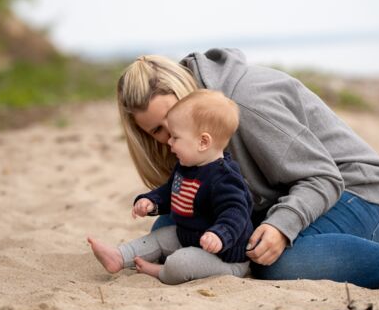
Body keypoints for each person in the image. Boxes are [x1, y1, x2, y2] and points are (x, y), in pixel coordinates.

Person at [106, 48, 379, 290]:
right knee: (168, 227)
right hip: (285, 197)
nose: (168, 137)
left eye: (170, 122)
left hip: (354, 196)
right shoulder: (190, 128)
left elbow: (324, 176)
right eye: (156, 131)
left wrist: (280, 226)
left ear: (186, 92)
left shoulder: (246, 103)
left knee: (272, 264)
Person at [87, 89, 254, 285]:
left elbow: (236, 212)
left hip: (224, 257)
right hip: (190, 237)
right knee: (159, 237)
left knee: (181, 263)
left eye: (176, 137)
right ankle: (120, 256)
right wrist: (151, 201)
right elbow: (169, 191)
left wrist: (220, 235)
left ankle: (160, 271)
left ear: (203, 142)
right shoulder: (186, 167)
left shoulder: (225, 179)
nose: (169, 141)